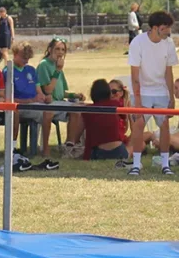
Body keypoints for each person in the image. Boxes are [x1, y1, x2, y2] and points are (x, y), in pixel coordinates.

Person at [127, 10, 179, 176]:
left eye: (169, 28)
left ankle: (165, 164)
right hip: (143, 91)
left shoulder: (169, 43)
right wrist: (138, 101)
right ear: (155, 28)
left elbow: (169, 72)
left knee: (164, 126)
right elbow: (135, 76)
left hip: (161, 91)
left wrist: (171, 97)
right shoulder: (138, 42)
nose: (168, 32)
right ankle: (136, 164)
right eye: (165, 28)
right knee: (139, 125)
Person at [35, 37, 84, 170]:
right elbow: (48, 90)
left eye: (63, 50)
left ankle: (72, 144)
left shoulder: (58, 66)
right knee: (74, 110)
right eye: (57, 49)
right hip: (47, 103)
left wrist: (74, 95)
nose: (60, 52)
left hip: (59, 102)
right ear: (50, 49)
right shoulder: (44, 65)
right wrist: (57, 70)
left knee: (83, 108)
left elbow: (61, 93)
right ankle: (61, 147)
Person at [9, 42, 42, 172]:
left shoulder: (31, 70)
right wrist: (29, 101)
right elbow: (8, 98)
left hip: (34, 104)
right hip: (20, 106)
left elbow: (39, 91)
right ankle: (40, 149)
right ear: (15, 54)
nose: (26, 61)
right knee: (44, 113)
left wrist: (43, 97)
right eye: (23, 58)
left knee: (48, 110)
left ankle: (38, 147)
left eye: (28, 58)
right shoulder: (8, 71)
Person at [81, 79, 130, 161]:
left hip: (99, 152)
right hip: (119, 150)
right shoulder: (115, 105)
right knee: (133, 147)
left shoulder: (87, 110)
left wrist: (86, 157)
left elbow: (89, 137)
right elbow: (124, 117)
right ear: (108, 93)